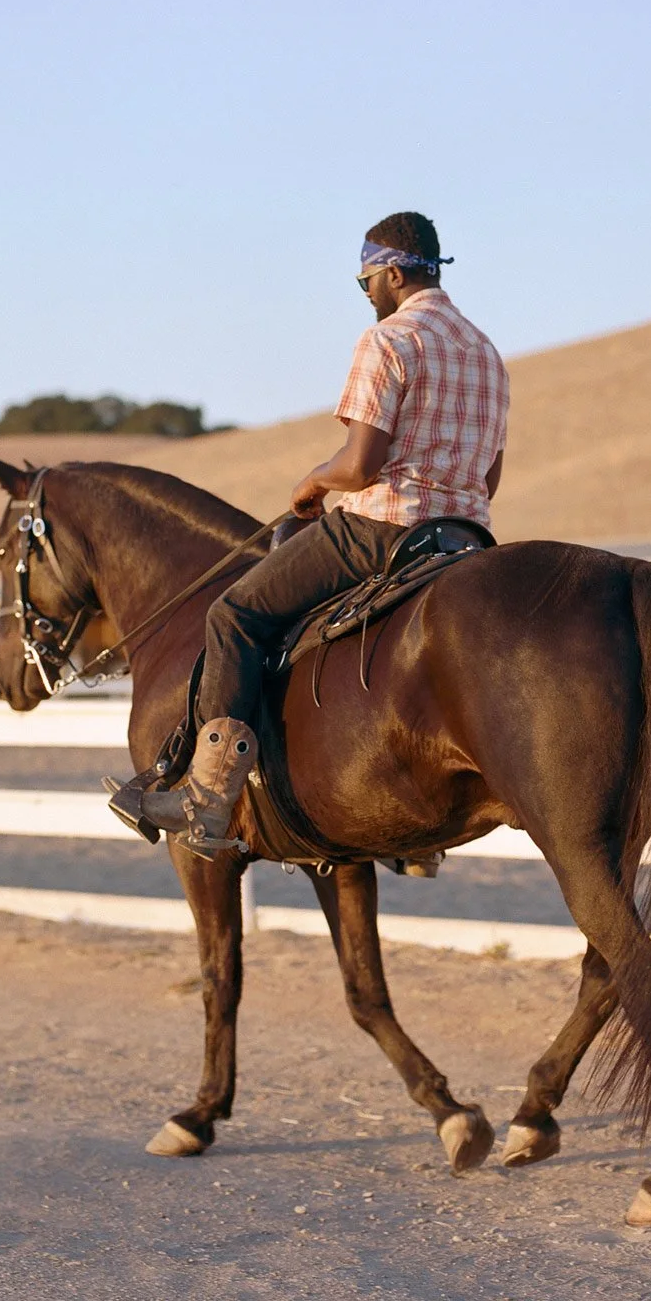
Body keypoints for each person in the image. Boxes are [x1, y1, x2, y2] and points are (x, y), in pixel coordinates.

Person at [131, 211, 510, 844]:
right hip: (463, 538)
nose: (367, 298)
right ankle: (416, 849)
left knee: (234, 615)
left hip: (383, 528)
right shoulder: (486, 353)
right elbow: (488, 479)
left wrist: (313, 481)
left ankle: (210, 795)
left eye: (365, 285)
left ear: (391, 274)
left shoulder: (389, 341)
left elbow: (361, 466)